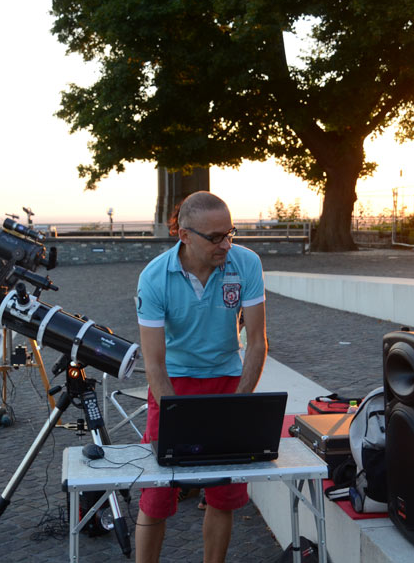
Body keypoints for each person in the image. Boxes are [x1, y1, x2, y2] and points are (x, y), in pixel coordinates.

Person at [134, 191, 268, 563]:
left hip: (227, 379)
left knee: (222, 493)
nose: (226, 244)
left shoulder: (246, 264)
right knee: (158, 493)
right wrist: (177, 413)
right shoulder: (154, 277)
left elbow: (256, 342)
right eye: (215, 237)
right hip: (173, 384)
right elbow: (154, 364)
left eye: (230, 233)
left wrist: (238, 404)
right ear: (184, 235)